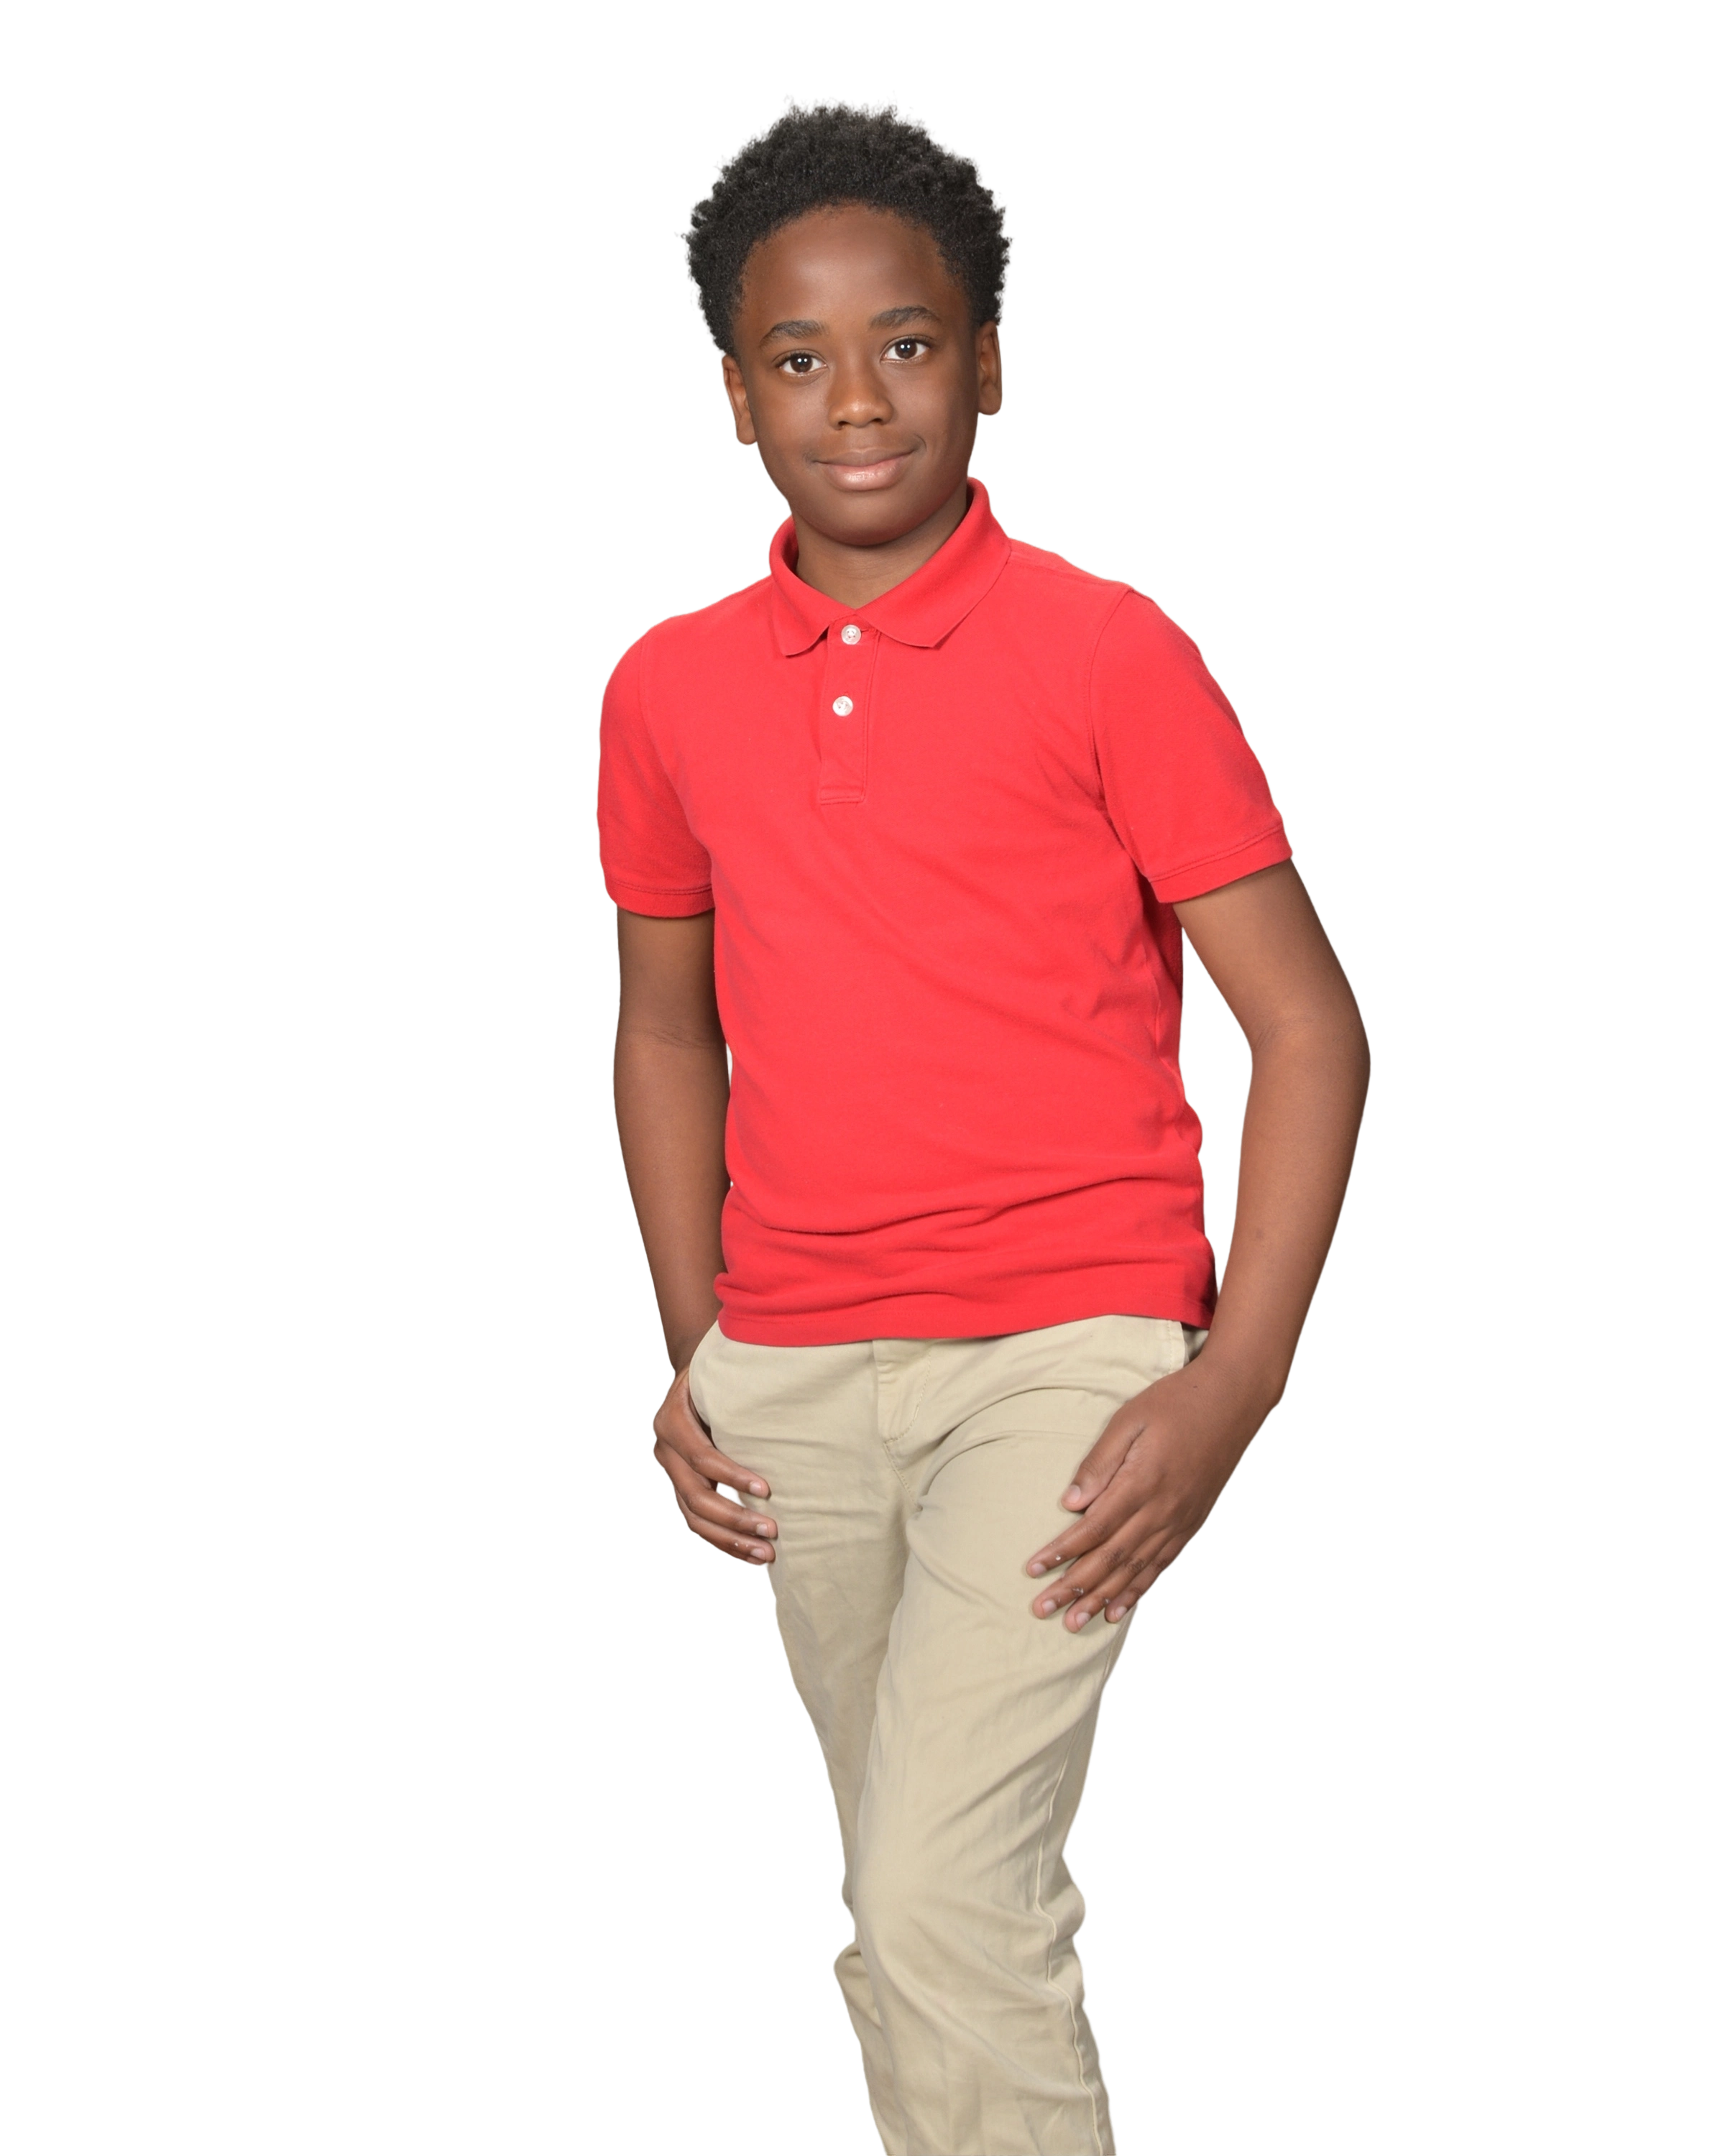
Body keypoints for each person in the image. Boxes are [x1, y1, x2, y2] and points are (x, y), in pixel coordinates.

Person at [597, 90, 1372, 2156]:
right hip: (795, 1380)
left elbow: (1310, 1024)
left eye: (909, 342)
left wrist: (1235, 1380)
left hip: (1064, 1353)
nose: (857, 398)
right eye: (797, 356)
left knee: (942, 1898)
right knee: (909, 1911)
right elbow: (665, 1033)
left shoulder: (1109, 652)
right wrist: (697, 1348)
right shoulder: (666, 689)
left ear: (990, 362)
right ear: (734, 398)